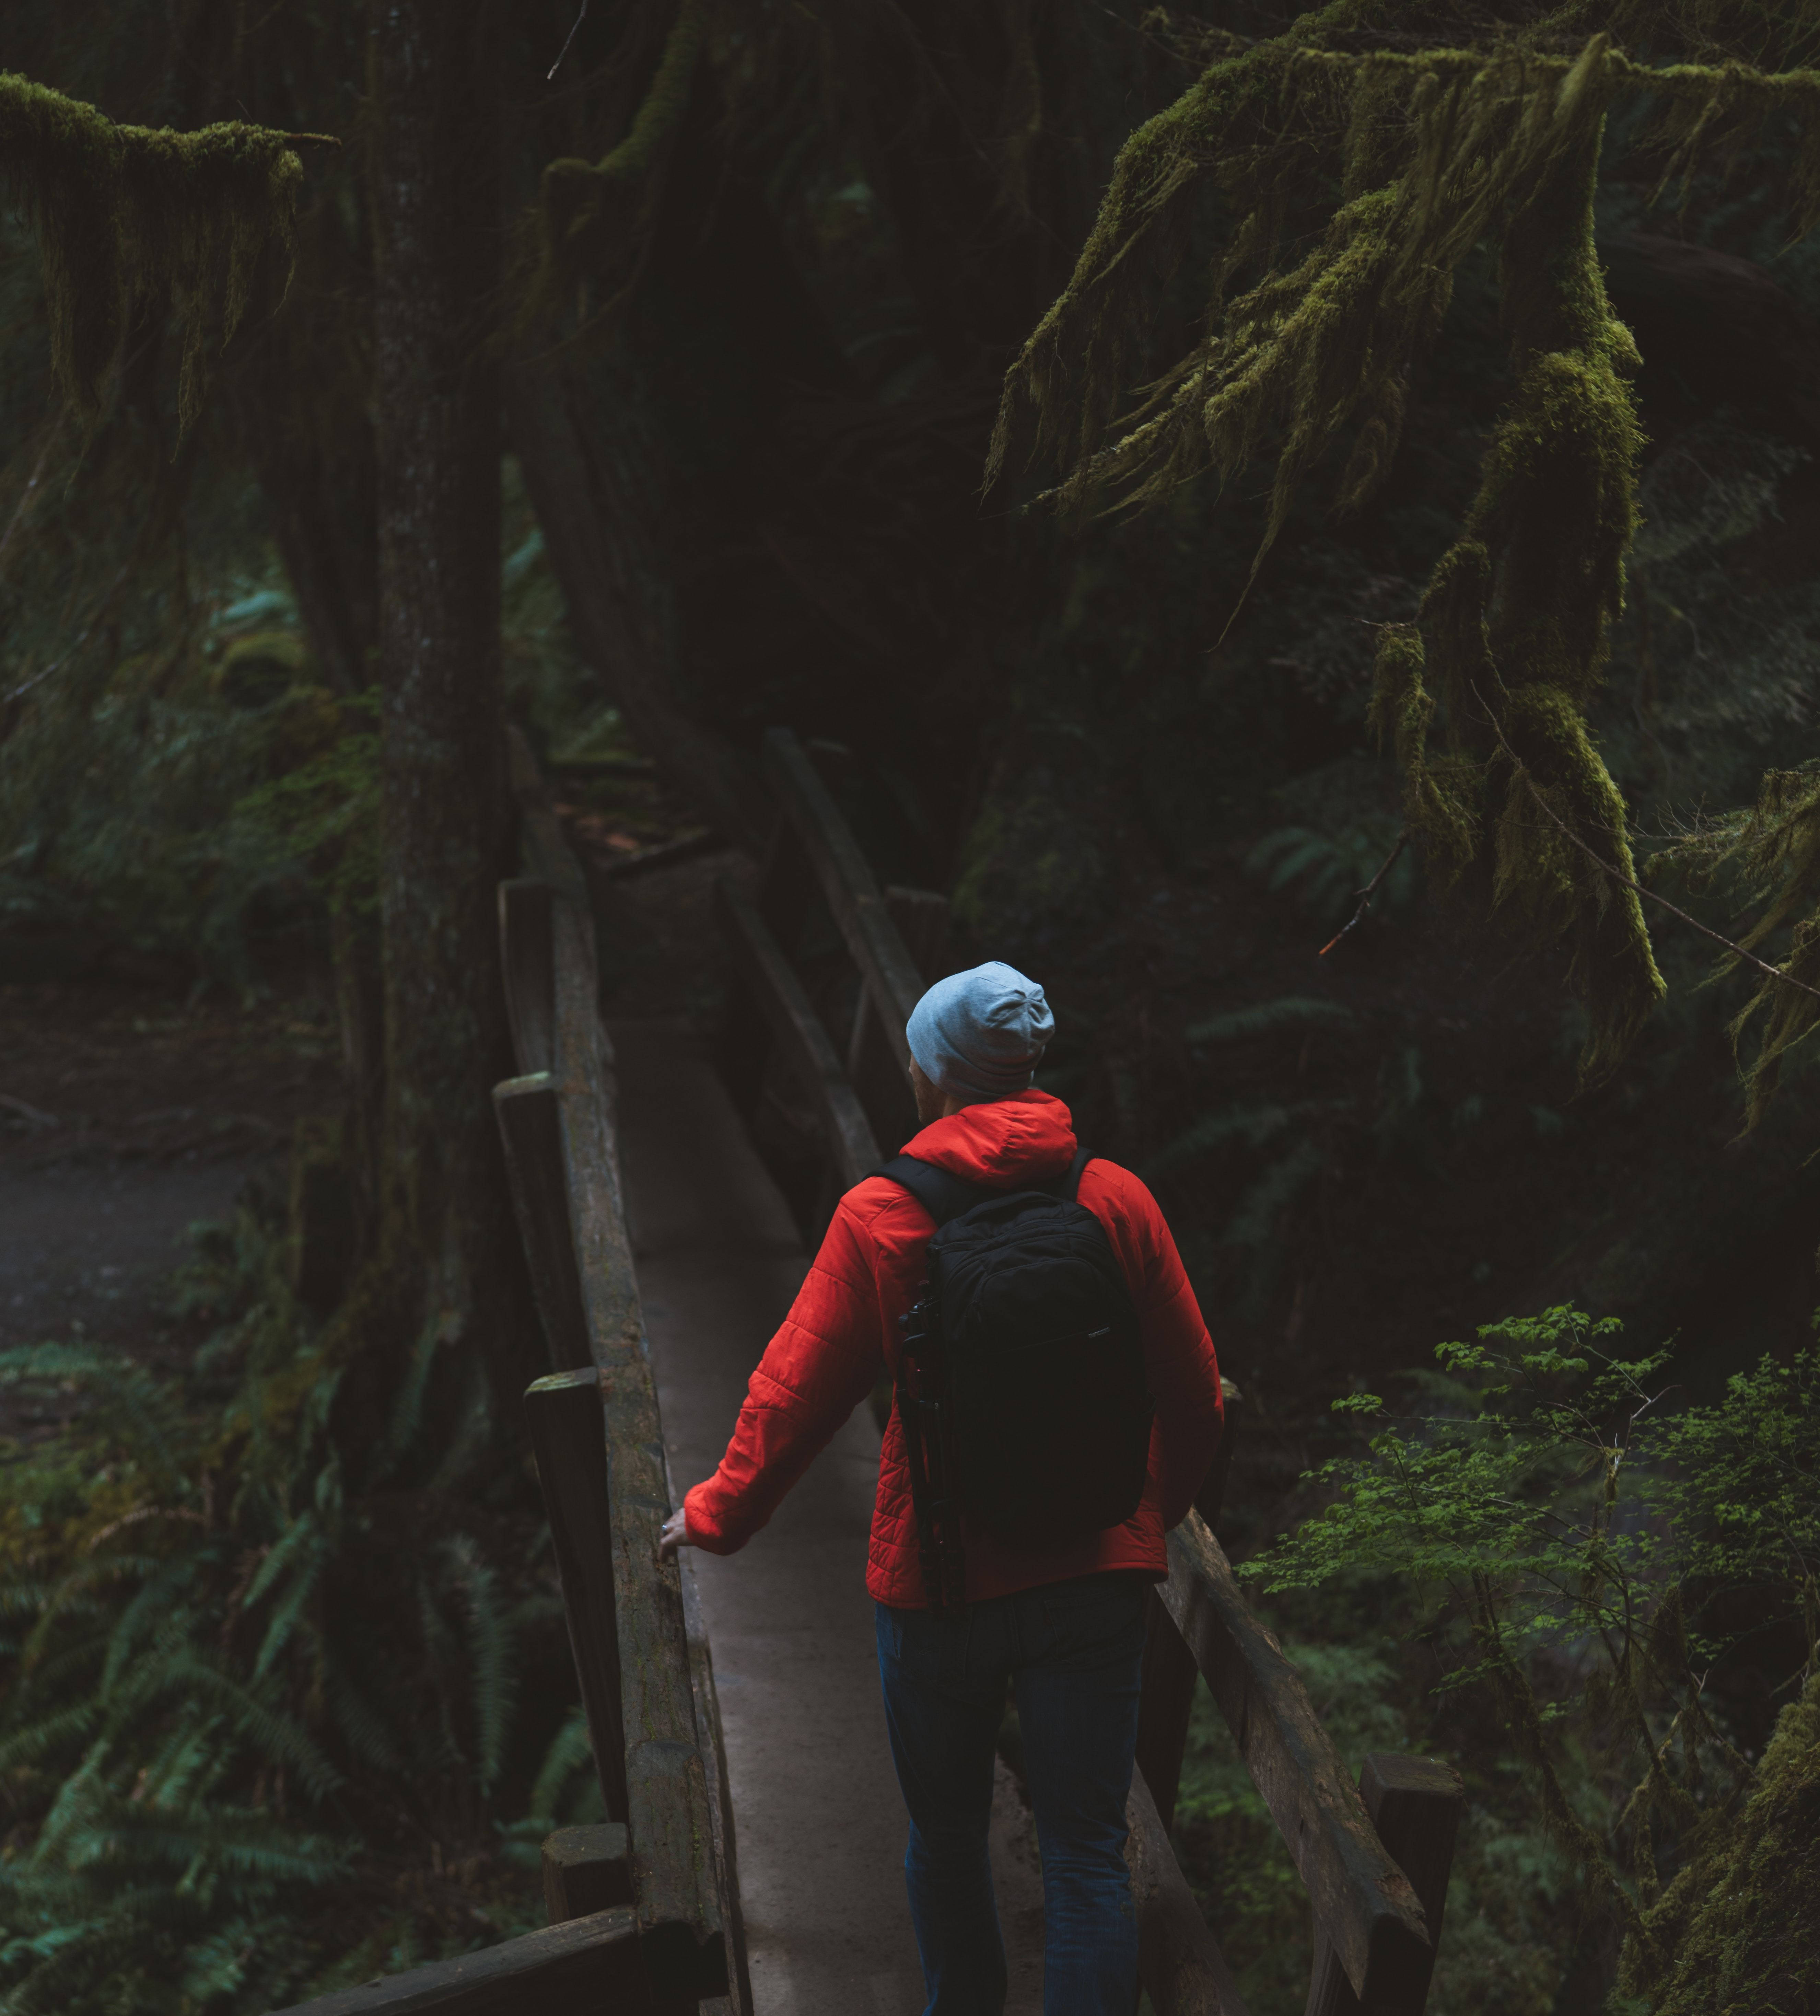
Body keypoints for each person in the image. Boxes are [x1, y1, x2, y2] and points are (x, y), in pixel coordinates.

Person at [660, 960, 1224, 2016]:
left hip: (941, 1585)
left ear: (933, 1080)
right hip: (1096, 1578)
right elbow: (1196, 1394)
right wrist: (1147, 1512)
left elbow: (796, 1389)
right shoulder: (1115, 1199)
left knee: (950, 1839)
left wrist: (715, 1514)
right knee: (1089, 1860)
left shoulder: (882, 1215)